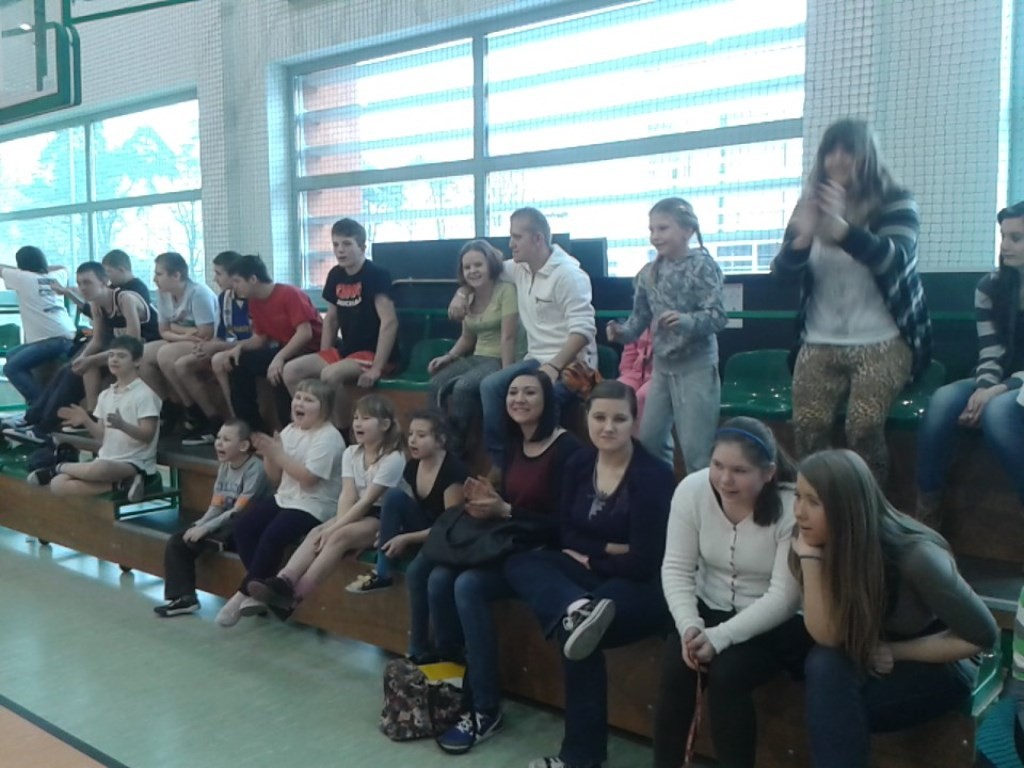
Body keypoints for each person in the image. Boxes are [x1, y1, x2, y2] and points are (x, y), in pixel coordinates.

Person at [504, 381, 674, 768]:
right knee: (520, 562)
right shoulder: (579, 463)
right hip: (591, 577)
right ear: (587, 419)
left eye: (619, 419)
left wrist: (593, 558)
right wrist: (612, 547)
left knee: (578, 635)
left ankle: (581, 758)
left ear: (634, 422)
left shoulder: (653, 476)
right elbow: (567, 533)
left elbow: (645, 560)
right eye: (599, 417)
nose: (608, 427)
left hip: (639, 586)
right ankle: (576, 606)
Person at [791, 449, 998, 768]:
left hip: (939, 659)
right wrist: (809, 559)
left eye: (813, 502)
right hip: (870, 654)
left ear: (847, 508)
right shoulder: (814, 543)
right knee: (824, 663)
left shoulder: (917, 557)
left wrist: (897, 651)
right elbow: (828, 637)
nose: (799, 512)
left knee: (836, 710)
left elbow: (982, 636)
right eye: (797, 497)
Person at [428, 370, 582, 754]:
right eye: (513, 393)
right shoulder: (514, 443)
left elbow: (565, 527)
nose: (519, 400)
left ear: (548, 401)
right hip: (509, 545)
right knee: (438, 576)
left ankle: (485, 708)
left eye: (530, 393)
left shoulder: (568, 450)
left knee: (467, 585)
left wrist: (506, 510)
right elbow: (510, 508)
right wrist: (488, 499)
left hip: (542, 556)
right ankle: (452, 682)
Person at [771, 118, 931, 485]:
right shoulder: (808, 206)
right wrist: (802, 240)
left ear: (868, 156)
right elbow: (781, 276)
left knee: (863, 425)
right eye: (831, 150)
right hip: (819, 339)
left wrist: (842, 230)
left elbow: (895, 259)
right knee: (808, 426)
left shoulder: (896, 201)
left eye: (849, 150)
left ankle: (871, 507)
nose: (838, 158)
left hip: (883, 340)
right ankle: (818, 503)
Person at [653, 417, 808, 768]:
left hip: (774, 622)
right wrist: (689, 626)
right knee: (677, 669)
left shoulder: (791, 506)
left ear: (768, 473)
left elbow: (785, 597)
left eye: (739, 471)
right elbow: (676, 567)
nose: (724, 479)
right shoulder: (691, 491)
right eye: (718, 465)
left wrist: (719, 637)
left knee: (727, 675)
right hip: (709, 606)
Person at [449, 208, 596, 470]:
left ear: (538, 239)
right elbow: (483, 272)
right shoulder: (518, 268)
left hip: (572, 364)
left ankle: (543, 467)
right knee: (491, 386)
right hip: (534, 359)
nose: (510, 244)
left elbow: (583, 330)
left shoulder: (569, 275)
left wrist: (553, 367)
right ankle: (502, 466)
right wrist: (461, 293)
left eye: (516, 237)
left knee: (540, 397)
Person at [915, 201, 1024, 527]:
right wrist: (984, 388)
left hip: (1017, 386)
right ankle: (927, 512)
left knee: (998, 412)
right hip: (999, 377)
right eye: (1003, 236)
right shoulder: (990, 287)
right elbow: (990, 351)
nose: (1005, 246)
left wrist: (997, 392)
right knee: (943, 399)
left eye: (1016, 238)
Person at [247, 395, 406, 614]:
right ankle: (283, 581)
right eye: (356, 418)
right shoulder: (351, 453)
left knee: (338, 536)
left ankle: (295, 597)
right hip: (359, 510)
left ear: (385, 425)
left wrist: (336, 528)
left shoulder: (393, 457)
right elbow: (348, 495)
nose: (358, 423)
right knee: (317, 532)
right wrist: (334, 524)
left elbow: (369, 500)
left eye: (366, 418)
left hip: (386, 516)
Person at [606, 198, 726, 470]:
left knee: (696, 450)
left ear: (687, 231)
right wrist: (621, 332)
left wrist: (686, 321)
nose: (655, 236)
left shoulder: (703, 267)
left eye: (663, 228)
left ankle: (701, 495)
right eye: (652, 229)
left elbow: (718, 317)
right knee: (649, 442)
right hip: (662, 368)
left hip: (696, 367)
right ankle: (663, 492)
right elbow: (639, 319)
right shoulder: (649, 273)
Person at [216, 379, 345, 627]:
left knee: (274, 534)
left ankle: (242, 594)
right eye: (298, 397)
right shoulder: (289, 431)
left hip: (317, 504)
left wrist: (277, 453)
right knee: (244, 527)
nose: (299, 403)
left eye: (309, 400)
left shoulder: (329, 437)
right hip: (286, 498)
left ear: (324, 407)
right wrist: (269, 454)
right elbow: (275, 477)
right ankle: (265, 589)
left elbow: (308, 479)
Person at [346, 410, 467, 663]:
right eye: (411, 434)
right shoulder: (412, 467)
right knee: (393, 496)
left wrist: (407, 538)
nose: (412, 440)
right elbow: (410, 508)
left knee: (416, 573)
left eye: (421, 435)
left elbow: (450, 526)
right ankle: (383, 571)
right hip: (425, 530)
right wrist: (389, 533)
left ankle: (418, 647)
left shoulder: (453, 471)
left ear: (441, 440)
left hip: (448, 540)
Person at [2, 261, 156, 445]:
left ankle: (43, 429)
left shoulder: (125, 299)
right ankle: (31, 419)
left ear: (104, 282)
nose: (82, 288)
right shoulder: (96, 304)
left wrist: (90, 360)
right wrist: (82, 359)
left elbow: (133, 345)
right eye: (79, 283)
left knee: (73, 375)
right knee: (67, 369)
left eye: (87, 282)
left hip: (143, 347)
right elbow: (97, 340)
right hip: (121, 349)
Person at [154, 419, 268, 617]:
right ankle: (184, 598)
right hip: (223, 523)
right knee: (178, 541)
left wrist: (207, 528)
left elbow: (238, 510)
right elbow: (217, 505)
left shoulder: (255, 469)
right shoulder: (225, 466)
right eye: (218, 438)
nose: (219, 443)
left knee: (227, 528)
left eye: (226, 439)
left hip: (243, 525)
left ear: (243, 446)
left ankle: (221, 547)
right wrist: (200, 523)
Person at [26, 336, 160, 501]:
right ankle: (122, 485)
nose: (114, 360)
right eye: (111, 355)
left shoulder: (145, 394)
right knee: (57, 484)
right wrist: (85, 420)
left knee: (100, 468)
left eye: (121, 356)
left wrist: (122, 425)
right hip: (106, 459)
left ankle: (57, 468)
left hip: (134, 463)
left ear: (137, 361)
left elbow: (147, 435)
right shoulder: (106, 395)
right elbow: (102, 437)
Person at [282, 218, 399, 401]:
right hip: (347, 351)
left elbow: (389, 322)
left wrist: (377, 367)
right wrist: (324, 352)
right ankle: (314, 415)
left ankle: (336, 421)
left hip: (373, 353)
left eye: (347, 244)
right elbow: (331, 319)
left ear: (362, 247)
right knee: (291, 370)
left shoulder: (376, 274)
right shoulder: (335, 274)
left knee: (330, 374)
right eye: (336, 244)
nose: (340, 250)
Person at [428, 240, 519, 450]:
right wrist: (449, 356)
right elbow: (467, 338)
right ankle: (437, 437)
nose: (472, 271)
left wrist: (506, 375)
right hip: (478, 356)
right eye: (467, 267)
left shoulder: (506, 291)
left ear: (490, 265)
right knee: (434, 384)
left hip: (500, 357)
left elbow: (508, 337)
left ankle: (458, 445)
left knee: (464, 387)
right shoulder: (467, 296)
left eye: (478, 265)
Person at [224, 255, 323, 433]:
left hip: (310, 349)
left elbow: (305, 333)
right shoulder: (254, 302)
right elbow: (261, 338)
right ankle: (251, 427)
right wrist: (240, 347)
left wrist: (279, 357)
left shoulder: (289, 294)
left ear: (253, 279)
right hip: (285, 349)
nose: (234, 287)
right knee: (239, 363)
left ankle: (288, 430)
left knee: (279, 371)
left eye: (237, 281)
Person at [175, 250, 253, 446]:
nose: (214, 279)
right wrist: (207, 347)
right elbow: (220, 334)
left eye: (219, 273)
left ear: (234, 275)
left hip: (251, 349)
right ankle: (214, 420)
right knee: (183, 365)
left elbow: (259, 340)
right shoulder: (224, 297)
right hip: (230, 347)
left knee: (219, 360)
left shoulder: (253, 297)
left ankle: (236, 423)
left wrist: (217, 346)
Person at [139, 252, 219, 433]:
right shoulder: (163, 294)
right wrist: (184, 334)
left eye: (159, 274)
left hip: (207, 342)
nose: (154, 279)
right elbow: (163, 330)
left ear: (176, 275)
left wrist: (175, 329)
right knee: (142, 354)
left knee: (166, 354)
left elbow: (205, 333)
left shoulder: (198, 293)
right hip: (186, 338)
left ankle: (194, 411)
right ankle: (168, 407)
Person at [0, 246, 76, 406]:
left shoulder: (23, 278)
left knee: (11, 368)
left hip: (51, 340)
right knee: (12, 354)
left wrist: (20, 271)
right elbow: (64, 267)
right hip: (66, 334)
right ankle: (39, 398)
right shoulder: (56, 276)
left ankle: (41, 404)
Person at [616, 327, 653, 433]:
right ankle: (616, 434)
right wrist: (626, 373)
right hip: (635, 373)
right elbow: (629, 352)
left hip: (661, 376)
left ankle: (638, 438)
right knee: (617, 391)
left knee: (642, 396)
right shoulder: (639, 323)